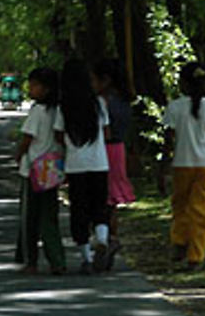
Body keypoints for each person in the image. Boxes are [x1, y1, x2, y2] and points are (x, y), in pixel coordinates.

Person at [159, 62, 205, 271]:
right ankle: (196, 256)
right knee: (200, 211)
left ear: (182, 84)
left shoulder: (174, 107)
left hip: (181, 166)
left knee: (180, 207)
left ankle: (180, 242)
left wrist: (163, 169)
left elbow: (168, 142)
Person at [53, 59, 111, 274]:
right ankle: (103, 239)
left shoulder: (63, 108)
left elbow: (58, 135)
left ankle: (86, 258)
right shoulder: (99, 104)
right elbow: (106, 132)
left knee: (79, 210)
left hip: (75, 165)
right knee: (99, 205)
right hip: (99, 163)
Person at [13, 67, 66, 275]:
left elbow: (27, 138)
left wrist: (18, 155)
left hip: (33, 169)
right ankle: (57, 260)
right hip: (52, 168)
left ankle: (31, 261)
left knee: (30, 218)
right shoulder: (59, 110)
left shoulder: (38, 111)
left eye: (35, 85)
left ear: (46, 89)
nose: (31, 89)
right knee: (49, 217)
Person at [93, 58, 135, 265]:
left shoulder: (104, 102)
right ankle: (112, 237)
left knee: (102, 197)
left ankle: (106, 238)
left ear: (105, 80)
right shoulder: (125, 99)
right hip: (119, 150)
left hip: (104, 150)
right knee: (111, 200)